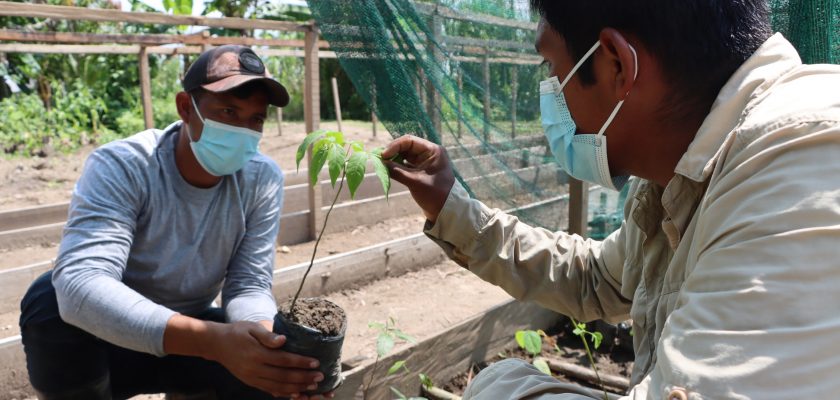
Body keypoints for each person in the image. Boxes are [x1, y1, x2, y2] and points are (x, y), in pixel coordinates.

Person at [383, 1, 840, 399]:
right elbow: (596, 278)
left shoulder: (804, 157)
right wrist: (450, 206)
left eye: (551, 70)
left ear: (617, 64)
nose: (553, 94)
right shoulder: (680, 174)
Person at [19, 45, 331, 400]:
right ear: (186, 108)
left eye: (255, 119)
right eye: (228, 111)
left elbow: (248, 284)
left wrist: (262, 340)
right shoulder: (126, 165)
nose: (243, 130)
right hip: (109, 339)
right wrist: (213, 342)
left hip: (191, 338)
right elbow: (81, 285)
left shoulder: (261, 179)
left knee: (269, 373)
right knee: (48, 301)